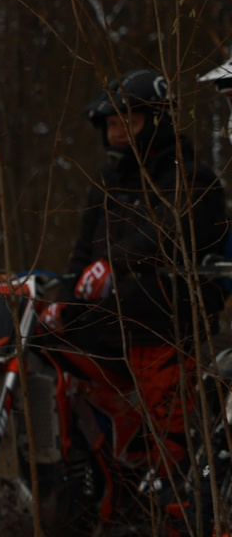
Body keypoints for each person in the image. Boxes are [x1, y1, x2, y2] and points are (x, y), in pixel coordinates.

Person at [55, 69, 228, 469]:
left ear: (157, 121)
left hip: (162, 328)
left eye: (127, 123)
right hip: (102, 329)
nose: (117, 133)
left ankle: (173, 515)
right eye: (112, 124)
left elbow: (169, 233)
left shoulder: (192, 179)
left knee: (166, 447)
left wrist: (113, 264)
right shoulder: (107, 180)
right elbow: (83, 247)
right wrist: (66, 302)